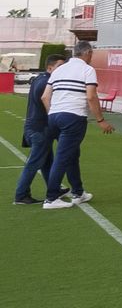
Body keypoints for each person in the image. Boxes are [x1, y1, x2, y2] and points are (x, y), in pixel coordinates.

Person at [41, 42, 114, 208]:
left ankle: (78, 192)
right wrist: (101, 120)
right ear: (87, 53)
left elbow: (45, 97)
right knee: (63, 156)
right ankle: (51, 198)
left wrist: (54, 113)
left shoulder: (59, 69)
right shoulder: (87, 70)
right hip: (73, 117)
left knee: (71, 154)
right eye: (92, 54)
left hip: (54, 116)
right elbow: (91, 96)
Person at [13, 53, 64, 205]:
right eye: (59, 67)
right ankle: (21, 195)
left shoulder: (40, 79)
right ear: (50, 67)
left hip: (36, 128)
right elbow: (46, 102)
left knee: (47, 162)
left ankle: (53, 188)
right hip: (40, 129)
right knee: (34, 163)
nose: (62, 70)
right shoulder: (46, 83)